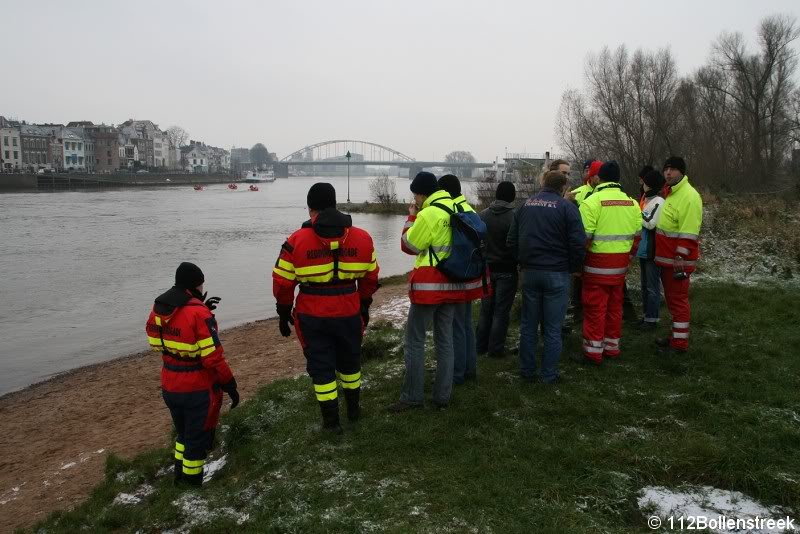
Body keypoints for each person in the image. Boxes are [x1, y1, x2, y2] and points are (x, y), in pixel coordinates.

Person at [272, 183, 379, 432]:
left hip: (312, 314)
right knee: (351, 361)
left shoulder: (295, 241)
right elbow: (371, 277)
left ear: (311, 209)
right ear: (335, 204)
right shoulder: (362, 237)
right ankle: (353, 410)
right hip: (349, 309)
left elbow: (282, 282)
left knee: (321, 367)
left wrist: (283, 312)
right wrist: (364, 304)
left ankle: (331, 423)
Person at [146, 262, 239, 486]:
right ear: (195, 285)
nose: (202, 287)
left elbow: (156, 343)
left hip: (170, 383)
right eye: (201, 284)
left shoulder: (159, 309)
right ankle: (191, 487)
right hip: (196, 387)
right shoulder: (199, 314)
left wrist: (200, 308)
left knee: (183, 434)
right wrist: (230, 384)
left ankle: (178, 477)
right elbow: (212, 358)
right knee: (196, 440)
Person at [389, 172, 460, 411]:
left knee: (415, 340)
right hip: (453, 282)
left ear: (421, 193)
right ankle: (442, 397)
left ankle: (412, 397)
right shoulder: (455, 206)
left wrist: (411, 217)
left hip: (429, 286)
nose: (415, 199)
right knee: (445, 340)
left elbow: (409, 245)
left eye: (415, 195)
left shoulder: (429, 213)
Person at [507, 171, 586, 383]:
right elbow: (578, 242)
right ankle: (549, 374)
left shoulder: (525, 205)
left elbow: (511, 240)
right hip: (557, 273)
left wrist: (521, 262)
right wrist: (573, 266)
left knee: (529, 325)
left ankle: (527, 370)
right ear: (563, 188)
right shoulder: (567, 207)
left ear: (543, 183)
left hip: (530, 272)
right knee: (552, 328)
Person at [578, 161, 642, 365]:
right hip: (620, 267)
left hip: (596, 266)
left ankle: (593, 352)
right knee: (615, 308)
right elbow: (637, 237)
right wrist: (628, 259)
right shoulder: (632, 203)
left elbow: (583, 239)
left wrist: (578, 265)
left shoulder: (592, 202)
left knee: (595, 309)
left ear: (599, 178)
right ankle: (612, 348)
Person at [437, 174, 486, 384]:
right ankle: (470, 368)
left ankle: (457, 374)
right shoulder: (470, 209)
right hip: (473, 272)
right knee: (466, 323)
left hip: (456, 273)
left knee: (456, 325)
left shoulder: (452, 211)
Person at [654, 157, 703, 354]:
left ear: (681, 172)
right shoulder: (672, 193)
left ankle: (679, 344)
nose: (668, 173)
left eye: (673, 170)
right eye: (666, 169)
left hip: (677, 262)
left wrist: (680, 257)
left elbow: (689, 232)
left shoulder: (689, 196)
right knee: (673, 301)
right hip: (668, 260)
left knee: (678, 302)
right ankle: (675, 336)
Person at [477, 181, 518, 358]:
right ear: (513, 196)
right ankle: (495, 349)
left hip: (486, 269)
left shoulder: (482, 215)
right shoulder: (515, 216)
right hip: (507, 270)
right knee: (501, 311)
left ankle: (480, 346)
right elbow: (516, 244)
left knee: (486, 310)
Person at [636, 169, 666, 329]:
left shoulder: (659, 202)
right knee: (644, 285)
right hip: (643, 249)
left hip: (652, 250)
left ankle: (652, 319)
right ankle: (646, 315)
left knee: (652, 287)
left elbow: (651, 222)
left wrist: (636, 213)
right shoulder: (646, 199)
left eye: (645, 182)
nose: (643, 184)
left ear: (650, 184)